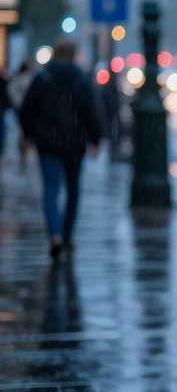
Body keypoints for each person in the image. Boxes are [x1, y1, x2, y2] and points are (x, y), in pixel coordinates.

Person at [18, 39, 102, 257]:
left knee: (50, 187)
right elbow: (91, 111)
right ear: (74, 55)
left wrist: (28, 134)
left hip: (47, 142)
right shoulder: (81, 80)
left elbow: (28, 108)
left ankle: (54, 233)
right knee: (73, 189)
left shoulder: (42, 79)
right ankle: (67, 234)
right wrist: (96, 140)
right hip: (74, 143)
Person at [8, 59, 35, 166]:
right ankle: (26, 151)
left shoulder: (22, 78)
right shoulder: (27, 78)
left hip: (23, 108)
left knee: (24, 131)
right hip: (24, 108)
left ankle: (25, 152)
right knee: (25, 131)